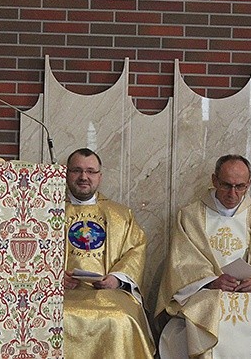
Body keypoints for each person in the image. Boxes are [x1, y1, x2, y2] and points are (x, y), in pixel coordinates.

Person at [155, 154, 251, 358]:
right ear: (214, 180)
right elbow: (182, 265)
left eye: (240, 187)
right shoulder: (190, 216)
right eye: (226, 185)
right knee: (207, 309)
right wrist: (212, 281)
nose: (233, 193)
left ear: (250, 184)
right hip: (208, 291)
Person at [62, 148, 155, 359]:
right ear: (66, 174)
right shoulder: (46, 211)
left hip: (108, 293)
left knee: (121, 319)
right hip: (61, 294)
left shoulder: (120, 214)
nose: (84, 177)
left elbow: (135, 249)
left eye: (90, 171)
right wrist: (53, 277)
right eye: (76, 170)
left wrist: (116, 279)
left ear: (99, 176)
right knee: (56, 318)